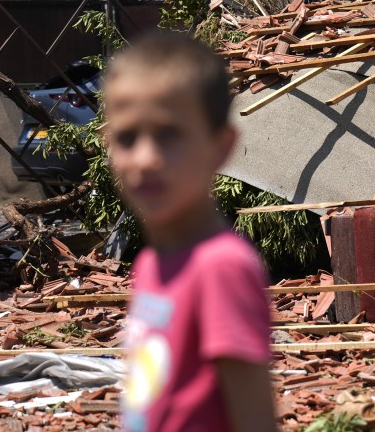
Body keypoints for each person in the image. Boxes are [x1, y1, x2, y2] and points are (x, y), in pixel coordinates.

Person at [102, 31, 277, 432]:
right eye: (128, 138)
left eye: (169, 135)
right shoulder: (150, 264)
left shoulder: (221, 267)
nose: (145, 159)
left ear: (221, 147)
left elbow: (255, 420)